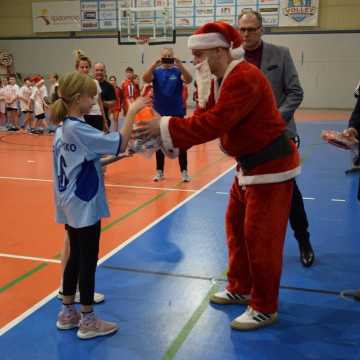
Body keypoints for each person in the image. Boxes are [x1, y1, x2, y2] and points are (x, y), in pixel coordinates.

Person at [136, 21, 300, 330]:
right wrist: (164, 132)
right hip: (248, 167)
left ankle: (265, 306)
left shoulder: (244, 77)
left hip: (271, 168)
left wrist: (164, 127)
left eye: (200, 55)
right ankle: (240, 287)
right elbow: (203, 116)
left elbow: (214, 124)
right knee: (236, 228)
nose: (195, 61)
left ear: (220, 50)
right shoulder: (220, 78)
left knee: (260, 239)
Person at [51, 71, 149, 339]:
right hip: (84, 202)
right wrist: (132, 112)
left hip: (69, 201)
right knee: (87, 260)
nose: (94, 100)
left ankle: (67, 312)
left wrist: (117, 159)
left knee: (74, 259)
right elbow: (118, 141)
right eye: (90, 96)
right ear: (78, 98)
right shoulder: (79, 128)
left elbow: (83, 161)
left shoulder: (63, 128)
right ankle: (88, 320)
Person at [238, 10, 314, 267]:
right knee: (246, 195)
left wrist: (274, 120)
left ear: (261, 29)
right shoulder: (233, 59)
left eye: (251, 29)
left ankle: (303, 240)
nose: (246, 34)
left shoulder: (280, 54)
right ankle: (253, 249)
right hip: (247, 142)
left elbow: (295, 92)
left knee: (290, 193)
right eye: (242, 29)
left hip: (280, 135)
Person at [142, 47, 193, 182]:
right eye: (165, 56)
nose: (167, 58)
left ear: (173, 56)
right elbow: (145, 78)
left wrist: (181, 66)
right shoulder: (156, 72)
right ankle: (159, 172)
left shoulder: (177, 71)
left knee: (181, 142)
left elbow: (189, 80)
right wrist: (153, 65)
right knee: (159, 143)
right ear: (161, 57)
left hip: (177, 113)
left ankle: (184, 171)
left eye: (169, 55)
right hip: (159, 114)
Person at [93, 62, 116, 130]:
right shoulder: (89, 83)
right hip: (88, 120)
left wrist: (99, 102)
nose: (99, 72)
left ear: (105, 71)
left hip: (103, 120)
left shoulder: (109, 86)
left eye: (101, 70)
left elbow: (113, 103)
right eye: (97, 70)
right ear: (93, 71)